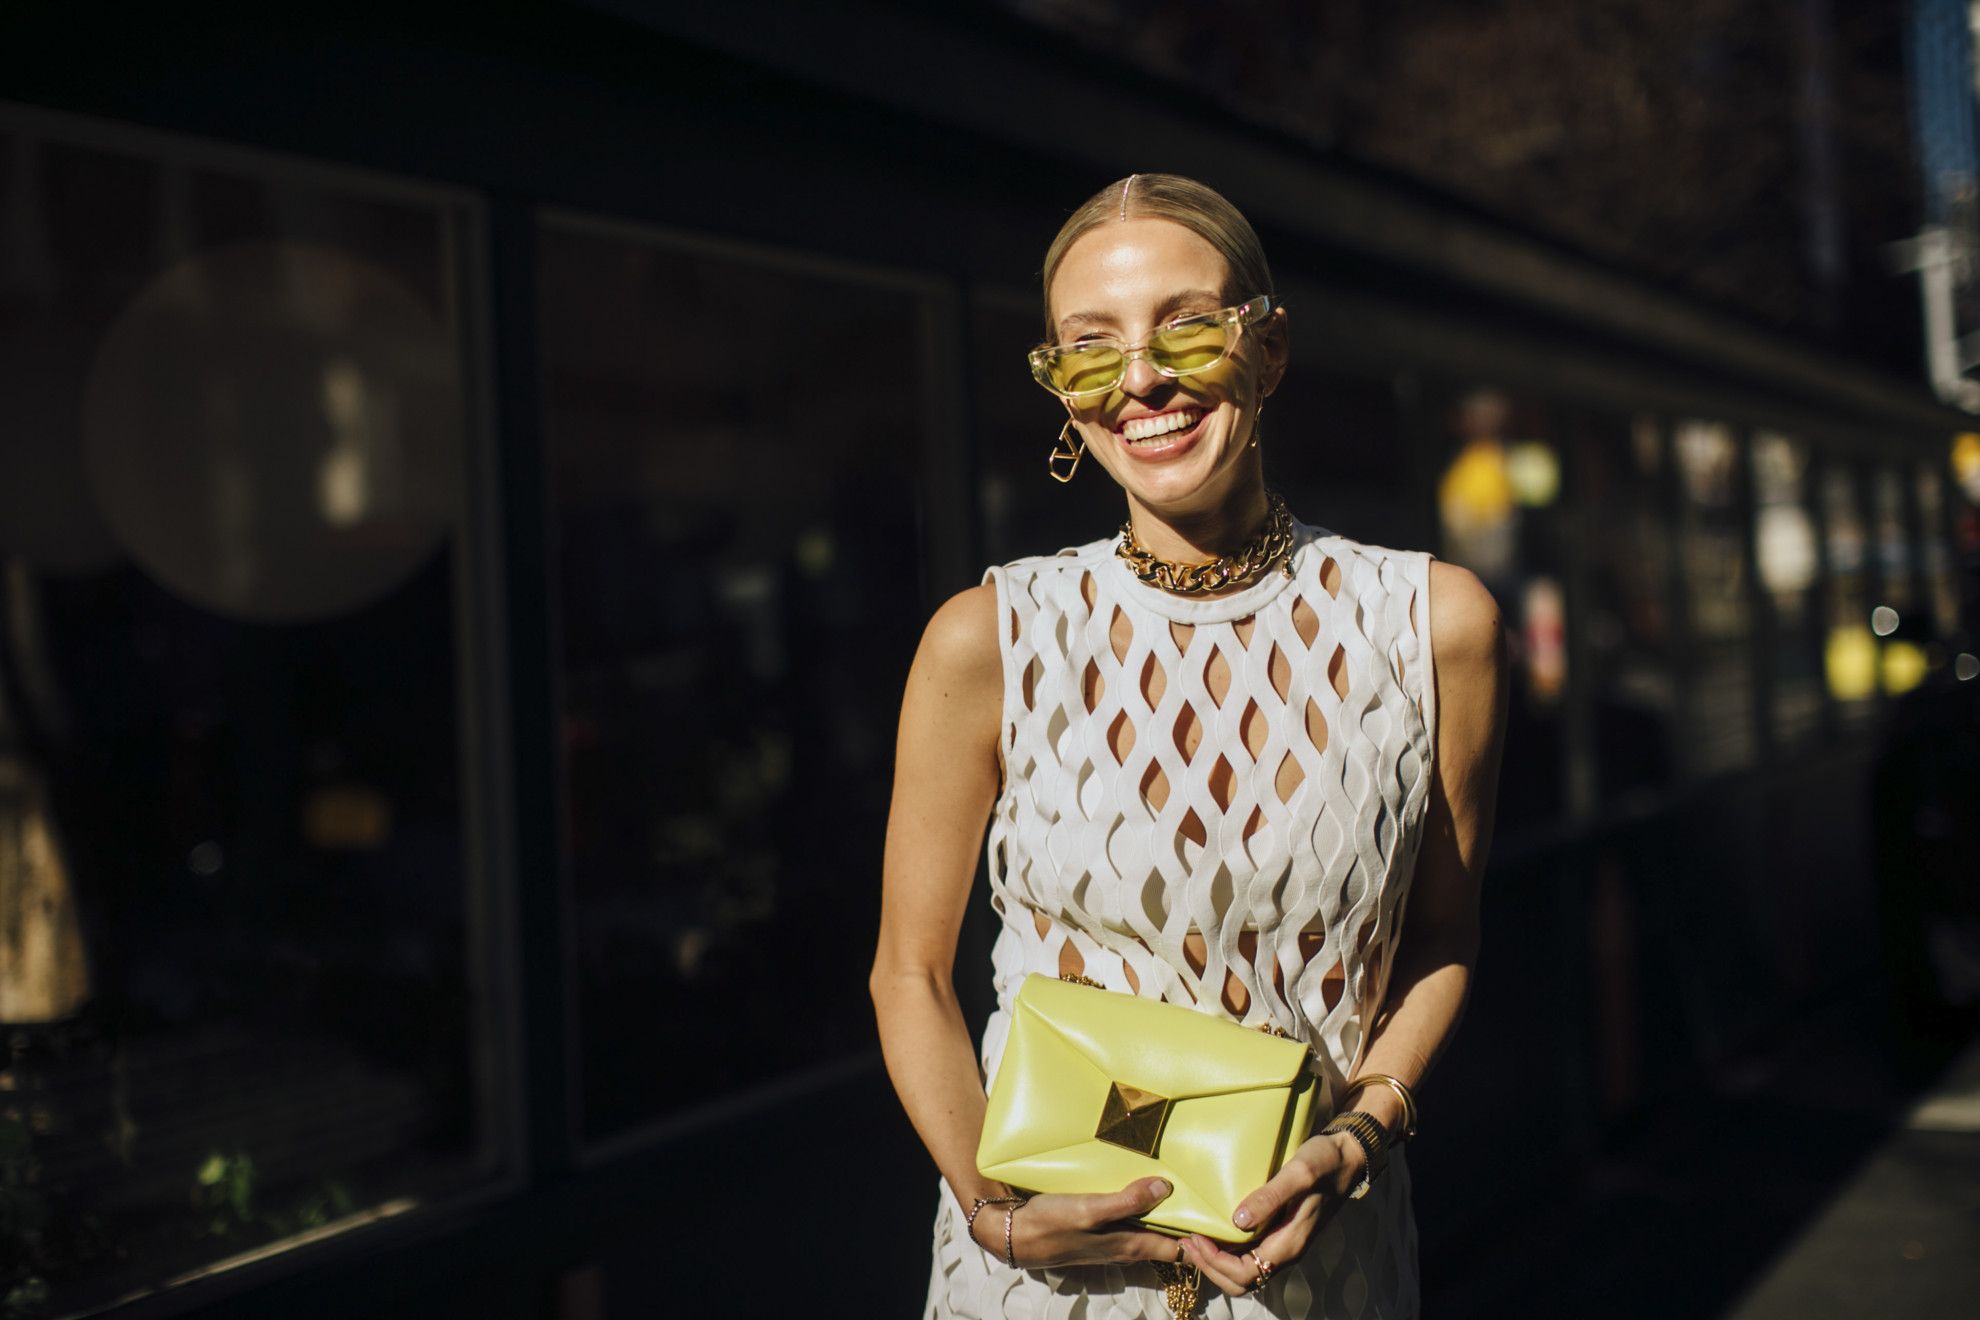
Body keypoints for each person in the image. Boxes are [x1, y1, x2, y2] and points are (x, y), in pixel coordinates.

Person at [872, 173, 1507, 1318]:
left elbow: (1443, 942)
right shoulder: (989, 639)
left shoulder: (1436, 626)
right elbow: (907, 975)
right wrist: (991, 1209)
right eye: (1091, 348)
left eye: (1187, 326)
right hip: (1036, 1290)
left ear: (1269, 350)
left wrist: (1361, 1135)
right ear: (1063, 392)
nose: (1144, 380)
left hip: (1324, 1277)